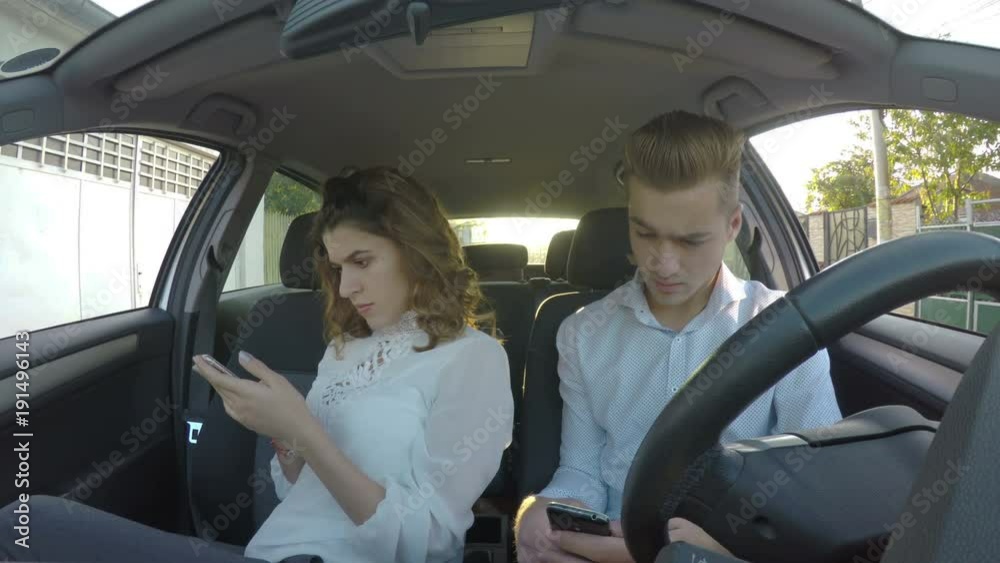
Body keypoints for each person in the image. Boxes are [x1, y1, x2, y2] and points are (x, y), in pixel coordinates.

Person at [0, 166, 514, 563]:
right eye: (337, 268)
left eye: (362, 261)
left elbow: (427, 543)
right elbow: (296, 488)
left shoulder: (473, 358)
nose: (346, 287)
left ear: (417, 252)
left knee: (32, 524)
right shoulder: (344, 349)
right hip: (267, 552)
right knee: (26, 524)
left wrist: (307, 432)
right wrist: (285, 439)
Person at [513, 111, 843, 562]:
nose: (663, 264)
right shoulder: (582, 334)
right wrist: (542, 510)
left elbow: (815, 486)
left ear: (732, 226)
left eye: (690, 241)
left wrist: (731, 541)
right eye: (645, 233)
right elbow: (581, 470)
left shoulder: (785, 329)